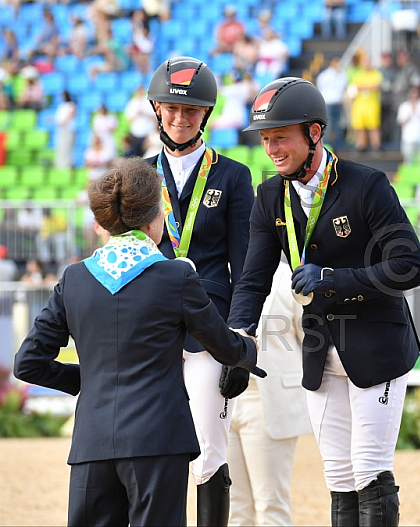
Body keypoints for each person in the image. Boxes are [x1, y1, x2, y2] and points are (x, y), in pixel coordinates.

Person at [12, 158, 263, 526]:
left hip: (91, 444)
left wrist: (92, 379)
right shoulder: (175, 275)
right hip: (158, 441)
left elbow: (28, 363)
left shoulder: (75, 278)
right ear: (152, 221)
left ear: (103, 224)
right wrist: (250, 349)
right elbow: (223, 346)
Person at [227, 77, 420, 526]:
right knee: (337, 474)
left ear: (314, 132)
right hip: (319, 350)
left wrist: (333, 279)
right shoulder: (269, 196)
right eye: (265, 140)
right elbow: (252, 280)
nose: (272, 149)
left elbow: (410, 266)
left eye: (280, 137)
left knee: (369, 467)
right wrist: (237, 338)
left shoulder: (367, 185)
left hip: (376, 345)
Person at [146, 56, 255, 526]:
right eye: (171, 108)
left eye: (191, 111)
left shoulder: (232, 176)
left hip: (210, 330)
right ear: (156, 109)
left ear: (205, 114)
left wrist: (241, 344)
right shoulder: (138, 176)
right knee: (151, 446)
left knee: (209, 446)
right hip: (150, 330)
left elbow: (248, 268)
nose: (179, 118)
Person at [227, 259, 311, 526]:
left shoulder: (287, 276)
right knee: (234, 509)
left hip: (268, 400)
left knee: (271, 505)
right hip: (224, 399)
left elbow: (307, 336)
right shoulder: (219, 270)